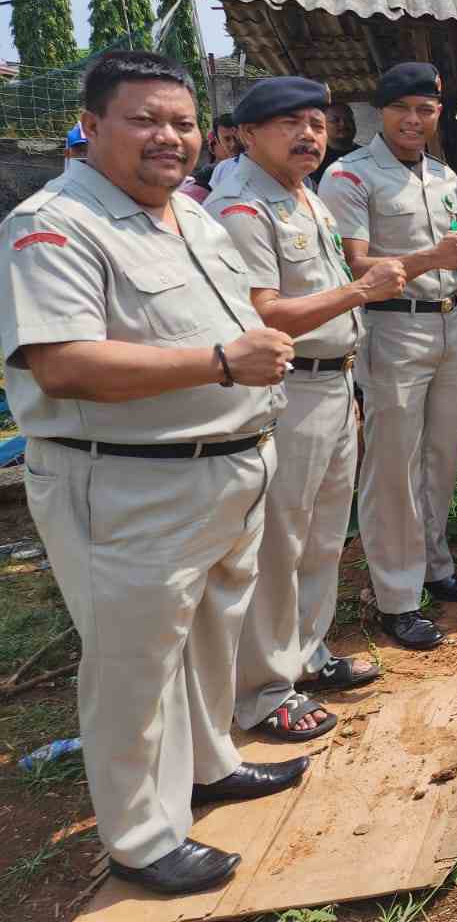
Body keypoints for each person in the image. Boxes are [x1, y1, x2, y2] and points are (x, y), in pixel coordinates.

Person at [0, 51, 301, 895]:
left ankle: (209, 764)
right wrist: (219, 363)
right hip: (130, 485)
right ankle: (141, 836)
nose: (169, 137)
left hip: (226, 470)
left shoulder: (192, 219)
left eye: (183, 122)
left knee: (209, 637)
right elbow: (63, 363)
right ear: (91, 126)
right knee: (133, 666)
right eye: (144, 120)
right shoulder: (53, 225)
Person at [208, 77, 406, 739]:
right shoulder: (240, 206)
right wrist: (361, 292)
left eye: (317, 124)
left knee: (322, 535)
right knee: (278, 542)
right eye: (290, 123)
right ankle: (263, 691)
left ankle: (306, 654)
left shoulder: (305, 196)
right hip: (286, 391)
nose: (309, 136)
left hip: (332, 383)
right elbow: (261, 313)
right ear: (247, 133)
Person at [321, 63, 457, 650]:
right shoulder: (349, 176)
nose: (414, 120)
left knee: (441, 457)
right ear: (380, 112)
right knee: (392, 466)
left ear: (438, 112)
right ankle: (397, 598)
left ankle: (436, 568)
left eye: (426, 109)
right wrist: (428, 259)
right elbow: (352, 266)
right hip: (391, 328)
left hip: (447, 326)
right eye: (402, 109)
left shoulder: (444, 177)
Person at [179, 113, 241, 203]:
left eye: (237, 138)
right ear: (218, 141)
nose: (233, 144)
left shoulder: (258, 163)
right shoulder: (216, 171)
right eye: (227, 139)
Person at [311, 102, 358, 190]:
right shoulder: (313, 159)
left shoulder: (367, 156)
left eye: (348, 120)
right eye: (335, 120)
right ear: (322, 125)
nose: (343, 124)